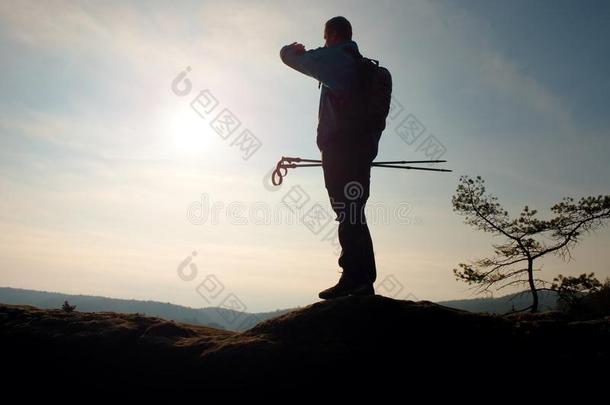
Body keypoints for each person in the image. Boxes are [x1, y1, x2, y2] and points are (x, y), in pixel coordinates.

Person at [280, 16, 378, 299]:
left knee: (346, 212)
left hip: (340, 151)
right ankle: (363, 281)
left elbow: (291, 58)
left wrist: (290, 48)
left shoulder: (336, 59)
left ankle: (353, 278)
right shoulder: (362, 66)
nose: (323, 43)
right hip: (361, 151)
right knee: (354, 211)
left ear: (333, 35)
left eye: (324, 38)